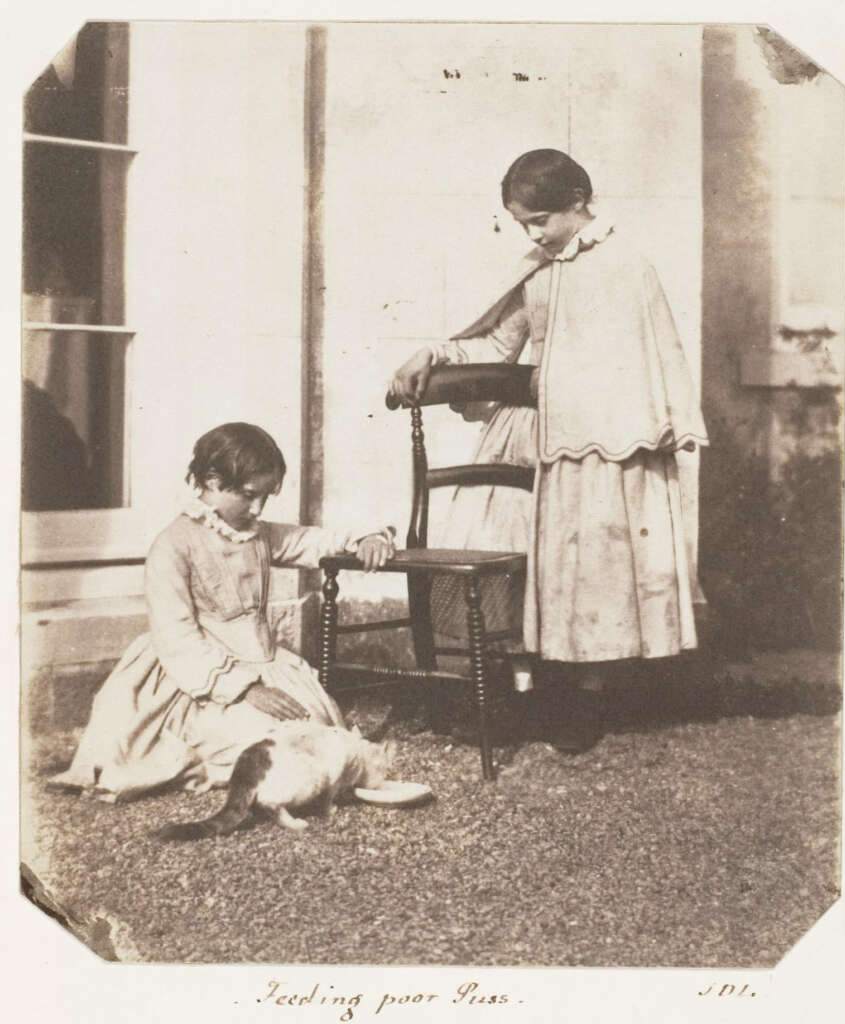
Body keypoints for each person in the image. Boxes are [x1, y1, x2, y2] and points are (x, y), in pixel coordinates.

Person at [389, 149, 708, 753]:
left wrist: (588, 405)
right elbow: (497, 339)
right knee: (516, 546)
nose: (533, 234)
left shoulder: (627, 265)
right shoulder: (538, 268)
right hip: (537, 434)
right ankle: (523, 687)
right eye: (522, 224)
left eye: (541, 220)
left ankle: (585, 696)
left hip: (606, 443)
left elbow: (641, 364)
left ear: (579, 203)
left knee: (592, 566)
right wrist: (434, 352)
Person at [51, 422, 395, 801]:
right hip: (195, 677)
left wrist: (366, 537)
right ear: (212, 481)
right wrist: (244, 688)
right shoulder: (173, 545)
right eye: (250, 495)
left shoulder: (257, 534)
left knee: (313, 726)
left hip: (263, 661)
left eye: (266, 496)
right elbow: (176, 637)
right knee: (256, 743)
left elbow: (311, 540)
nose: (258, 508)